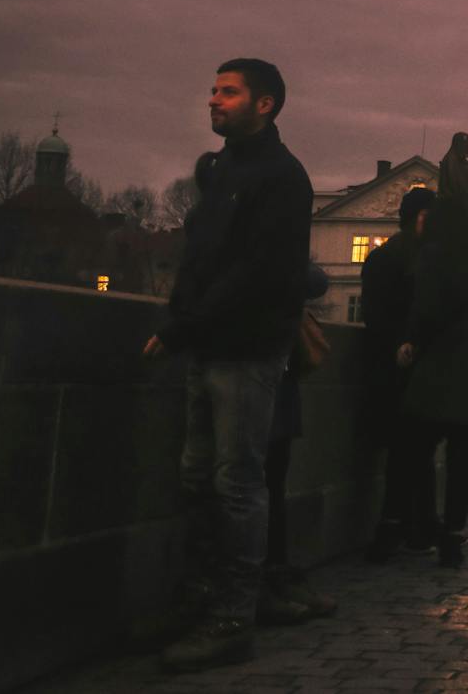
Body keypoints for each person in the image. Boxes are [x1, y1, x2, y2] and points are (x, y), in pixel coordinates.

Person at [143, 59, 312, 673]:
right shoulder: (224, 173)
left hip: (245, 348)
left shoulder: (281, 176)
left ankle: (232, 616)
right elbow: (203, 258)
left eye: (228, 92)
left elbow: (257, 272)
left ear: (264, 104)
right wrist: (183, 318)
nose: (213, 100)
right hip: (208, 344)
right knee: (197, 477)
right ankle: (201, 595)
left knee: (238, 482)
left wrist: (184, 324)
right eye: (213, 90)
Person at [394, 196, 468, 567]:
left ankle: (422, 526)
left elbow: (427, 309)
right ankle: (452, 534)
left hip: (441, 366)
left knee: (417, 448)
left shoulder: (435, 256)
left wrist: (412, 340)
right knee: (462, 457)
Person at [360, 187, 439, 561]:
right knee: (412, 451)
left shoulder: (386, 257)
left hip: (396, 367)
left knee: (411, 451)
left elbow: (374, 317)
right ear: (422, 218)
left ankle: (412, 525)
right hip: (406, 368)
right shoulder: (414, 259)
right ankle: (405, 526)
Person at [257, 262, 338, 624]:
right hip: (260, 373)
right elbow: (313, 280)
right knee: (261, 488)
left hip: (274, 378)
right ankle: (264, 580)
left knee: (269, 487)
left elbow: (314, 280)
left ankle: (272, 573)